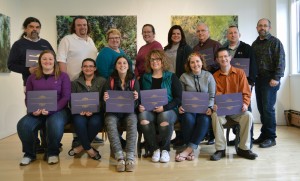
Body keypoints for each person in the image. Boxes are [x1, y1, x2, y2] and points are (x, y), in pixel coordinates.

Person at [7, 17, 54, 153]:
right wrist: (28, 70)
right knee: (34, 113)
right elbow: (10, 65)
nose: (34, 29)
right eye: (31, 27)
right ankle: (35, 144)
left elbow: (53, 59)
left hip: (49, 85)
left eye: (37, 27)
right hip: (30, 84)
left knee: (47, 113)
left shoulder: (45, 43)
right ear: (25, 28)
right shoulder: (19, 44)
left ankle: (47, 142)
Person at [17, 50, 71, 166]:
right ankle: (29, 154)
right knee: (23, 125)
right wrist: (32, 110)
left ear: (54, 61)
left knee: (54, 123)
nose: (47, 61)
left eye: (50, 59)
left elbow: (65, 97)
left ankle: (52, 152)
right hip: (37, 111)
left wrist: (53, 110)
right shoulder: (31, 78)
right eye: (44, 59)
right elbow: (28, 97)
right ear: (40, 61)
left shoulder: (63, 76)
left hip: (59, 110)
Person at [57, 16, 102, 144]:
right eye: (79, 25)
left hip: (90, 82)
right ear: (74, 27)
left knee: (91, 110)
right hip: (73, 82)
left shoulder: (91, 41)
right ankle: (77, 138)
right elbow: (61, 60)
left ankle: (90, 135)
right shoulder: (67, 40)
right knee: (77, 112)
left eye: (84, 24)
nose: (82, 27)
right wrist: (64, 81)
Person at [210, 48, 258, 161]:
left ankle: (244, 148)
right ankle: (220, 149)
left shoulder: (240, 73)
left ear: (230, 58)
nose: (223, 59)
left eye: (225, 56)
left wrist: (245, 104)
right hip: (222, 110)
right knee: (215, 115)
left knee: (248, 115)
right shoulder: (214, 76)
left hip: (237, 109)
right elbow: (214, 94)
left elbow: (246, 92)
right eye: (220, 57)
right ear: (217, 60)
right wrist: (215, 104)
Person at [138, 50, 182, 163]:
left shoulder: (172, 77)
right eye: (152, 59)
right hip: (150, 110)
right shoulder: (144, 77)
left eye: (157, 59)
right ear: (149, 62)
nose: (155, 61)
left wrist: (164, 108)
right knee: (143, 118)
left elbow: (178, 98)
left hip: (169, 109)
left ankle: (165, 150)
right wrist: (140, 106)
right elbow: (140, 96)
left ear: (163, 61)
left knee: (164, 117)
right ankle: (155, 149)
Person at [252, 18, 285, 148]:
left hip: (270, 80)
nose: (262, 28)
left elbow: (281, 61)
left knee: (268, 109)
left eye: (265, 26)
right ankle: (264, 134)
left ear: (269, 28)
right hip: (258, 80)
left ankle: (271, 137)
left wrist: (276, 78)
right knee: (261, 109)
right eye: (260, 25)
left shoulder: (275, 42)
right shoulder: (254, 44)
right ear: (257, 28)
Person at [175, 52, 215, 162]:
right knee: (187, 119)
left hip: (204, 110)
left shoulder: (209, 76)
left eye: (197, 61)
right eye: (192, 62)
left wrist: (210, 108)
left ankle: (188, 150)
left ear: (202, 63)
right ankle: (191, 150)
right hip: (189, 109)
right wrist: (180, 106)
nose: (195, 64)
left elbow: (212, 96)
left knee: (205, 121)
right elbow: (180, 96)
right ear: (189, 64)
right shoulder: (184, 77)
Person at [102, 56, 139, 172]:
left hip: (129, 112)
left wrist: (137, 98)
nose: (122, 65)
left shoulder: (134, 80)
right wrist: (105, 98)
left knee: (132, 121)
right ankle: (119, 157)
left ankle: (130, 157)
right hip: (113, 112)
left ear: (128, 66)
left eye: (124, 63)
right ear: (115, 66)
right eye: (119, 63)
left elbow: (137, 103)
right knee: (110, 122)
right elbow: (103, 102)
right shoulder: (110, 80)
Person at [223, 25, 257, 146]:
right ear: (227, 36)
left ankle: (249, 139)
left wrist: (250, 82)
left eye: (235, 32)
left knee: (246, 109)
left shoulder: (247, 48)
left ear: (239, 34)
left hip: (244, 85)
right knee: (233, 110)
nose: (233, 35)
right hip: (229, 87)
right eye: (230, 33)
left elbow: (253, 66)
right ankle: (237, 137)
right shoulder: (224, 50)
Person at [68, 58, 106, 160]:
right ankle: (89, 150)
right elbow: (71, 101)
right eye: (85, 66)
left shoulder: (102, 81)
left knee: (95, 123)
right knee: (79, 122)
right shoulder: (75, 83)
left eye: (90, 66)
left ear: (95, 68)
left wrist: (95, 109)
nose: (88, 68)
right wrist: (79, 110)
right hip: (79, 112)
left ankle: (80, 148)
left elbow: (105, 101)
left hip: (97, 112)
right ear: (82, 68)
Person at [164, 25, 193, 148]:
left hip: (180, 80)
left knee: (180, 105)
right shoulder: (165, 48)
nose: (176, 36)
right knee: (171, 105)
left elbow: (189, 65)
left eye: (178, 34)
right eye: (173, 34)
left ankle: (182, 137)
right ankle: (174, 136)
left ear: (182, 36)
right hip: (167, 80)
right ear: (170, 36)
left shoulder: (186, 48)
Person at [193, 22, 221, 145]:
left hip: (213, 79)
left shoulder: (215, 45)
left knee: (212, 106)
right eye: (198, 31)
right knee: (202, 107)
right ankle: (203, 133)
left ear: (208, 32)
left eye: (203, 30)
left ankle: (212, 135)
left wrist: (208, 66)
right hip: (198, 81)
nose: (201, 33)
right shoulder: (195, 48)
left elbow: (221, 62)